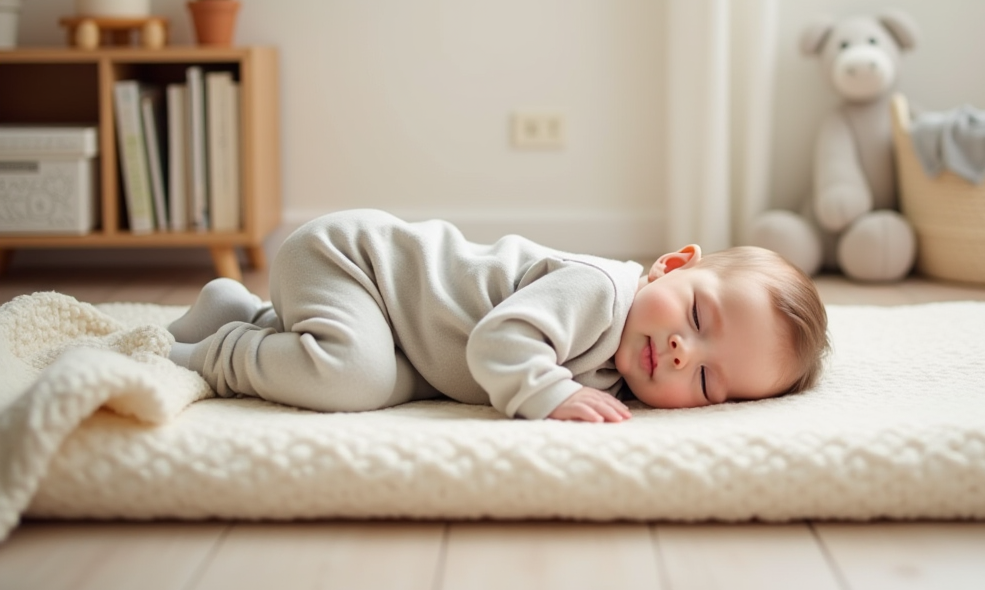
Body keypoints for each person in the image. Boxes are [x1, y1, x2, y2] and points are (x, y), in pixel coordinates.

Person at [167, 209, 828, 422]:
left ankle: (242, 314)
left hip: (402, 330)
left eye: (707, 380)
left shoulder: (621, 367)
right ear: (672, 265)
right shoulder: (601, 293)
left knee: (396, 383)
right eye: (698, 316)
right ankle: (204, 358)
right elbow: (499, 342)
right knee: (355, 378)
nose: (684, 352)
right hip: (350, 261)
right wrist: (550, 394)